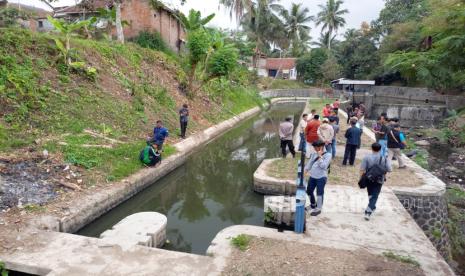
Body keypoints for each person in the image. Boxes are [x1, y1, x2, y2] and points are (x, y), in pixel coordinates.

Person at [360, 142, 392, 220]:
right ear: (380, 149)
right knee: (374, 195)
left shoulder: (366, 157)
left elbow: (362, 169)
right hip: (379, 179)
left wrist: (361, 178)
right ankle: (370, 210)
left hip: (369, 178)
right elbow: (389, 169)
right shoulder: (384, 158)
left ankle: (369, 210)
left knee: (371, 194)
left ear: (372, 148)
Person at [304, 140, 332, 216]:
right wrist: (305, 171)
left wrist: (320, 157)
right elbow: (309, 164)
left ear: (321, 147)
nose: (315, 149)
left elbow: (323, 166)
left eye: (316, 148)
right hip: (312, 176)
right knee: (309, 191)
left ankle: (319, 208)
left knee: (319, 193)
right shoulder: (314, 154)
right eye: (314, 148)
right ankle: (313, 204)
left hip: (321, 177)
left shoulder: (328, 155)